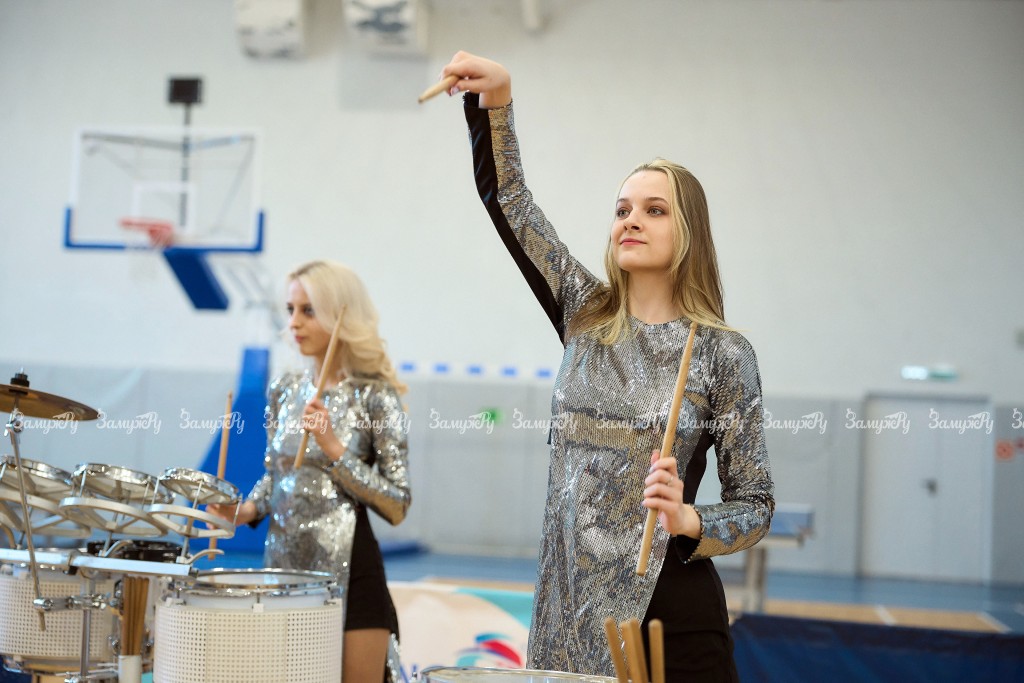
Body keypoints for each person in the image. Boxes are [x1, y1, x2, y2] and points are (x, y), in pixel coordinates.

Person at [435, 52, 775, 682]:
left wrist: (690, 519)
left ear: (689, 230)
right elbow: (511, 201)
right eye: (622, 209)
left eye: (654, 209)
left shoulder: (723, 352)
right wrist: (496, 103)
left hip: (671, 618)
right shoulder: (582, 312)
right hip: (567, 616)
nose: (631, 220)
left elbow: (756, 504)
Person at [208, 260, 411, 683]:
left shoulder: (376, 396)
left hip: (352, 571)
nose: (294, 323)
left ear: (339, 316)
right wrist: (244, 511)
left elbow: (397, 504)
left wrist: (334, 448)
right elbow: (277, 475)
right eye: (290, 310)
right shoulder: (284, 390)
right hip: (283, 569)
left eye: (308, 310)